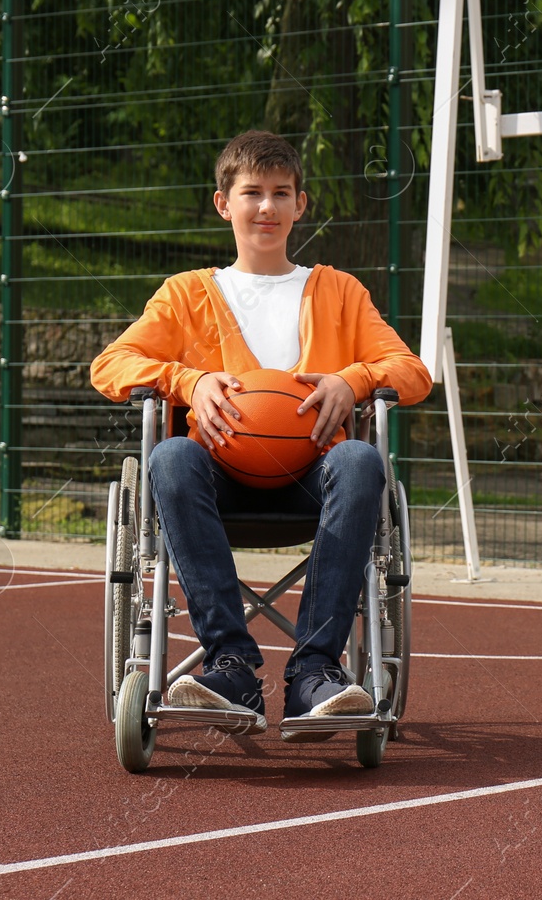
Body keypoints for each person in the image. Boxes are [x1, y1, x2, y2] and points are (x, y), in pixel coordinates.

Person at [90, 130, 431, 739]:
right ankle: (230, 664)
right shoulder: (187, 294)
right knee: (169, 456)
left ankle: (315, 673)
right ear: (224, 203)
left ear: (302, 204)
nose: (266, 207)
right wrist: (186, 382)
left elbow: (411, 371)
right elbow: (109, 365)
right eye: (252, 193)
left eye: (281, 193)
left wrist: (351, 381)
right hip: (219, 480)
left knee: (359, 458)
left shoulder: (340, 292)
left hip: (313, 479)